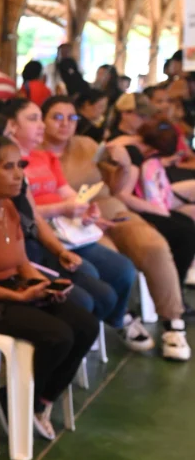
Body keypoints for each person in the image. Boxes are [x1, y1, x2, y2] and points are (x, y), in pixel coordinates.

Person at [0, 135, 100, 439]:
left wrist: (45, 285)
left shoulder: (9, 207)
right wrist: (18, 295)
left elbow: (22, 263)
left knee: (86, 324)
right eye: (9, 167)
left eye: (20, 166)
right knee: (58, 336)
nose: (19, 175)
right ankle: (11, 399)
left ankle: (40, 400)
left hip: (12, 290)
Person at [41, 97, 189, 354]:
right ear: (43, 121)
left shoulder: (86, 145)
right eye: (57, 117)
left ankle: (173, 322)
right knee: (112, 260)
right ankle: (123, 317)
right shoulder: (36, 153)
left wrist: (122, 166)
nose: (66, 124)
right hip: (72, 221)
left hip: (108, 204)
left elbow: (116, 186)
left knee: (153, 245)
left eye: (72, 117)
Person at [5, 97, 136, 327]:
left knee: (124, 270)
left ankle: (114, 324)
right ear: (12, 126)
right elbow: (25, 214)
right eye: (34, 119)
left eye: (71, 117)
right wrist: (63, 209)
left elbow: (68, 193)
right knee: (90, 275)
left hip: (69, 231)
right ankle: (87, 330)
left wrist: (85, 209)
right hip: (43, 236)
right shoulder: (8, 165)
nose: (42, 126)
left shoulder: (45, 157)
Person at [107, 121, 195, 360]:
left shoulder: (142, 153)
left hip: (151, 203)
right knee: (183, 233)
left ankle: (176, 291)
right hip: (135, 211)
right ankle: (172, 299)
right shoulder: (135, 154)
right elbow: (122, 193)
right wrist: (159, 212)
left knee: (188, 227)